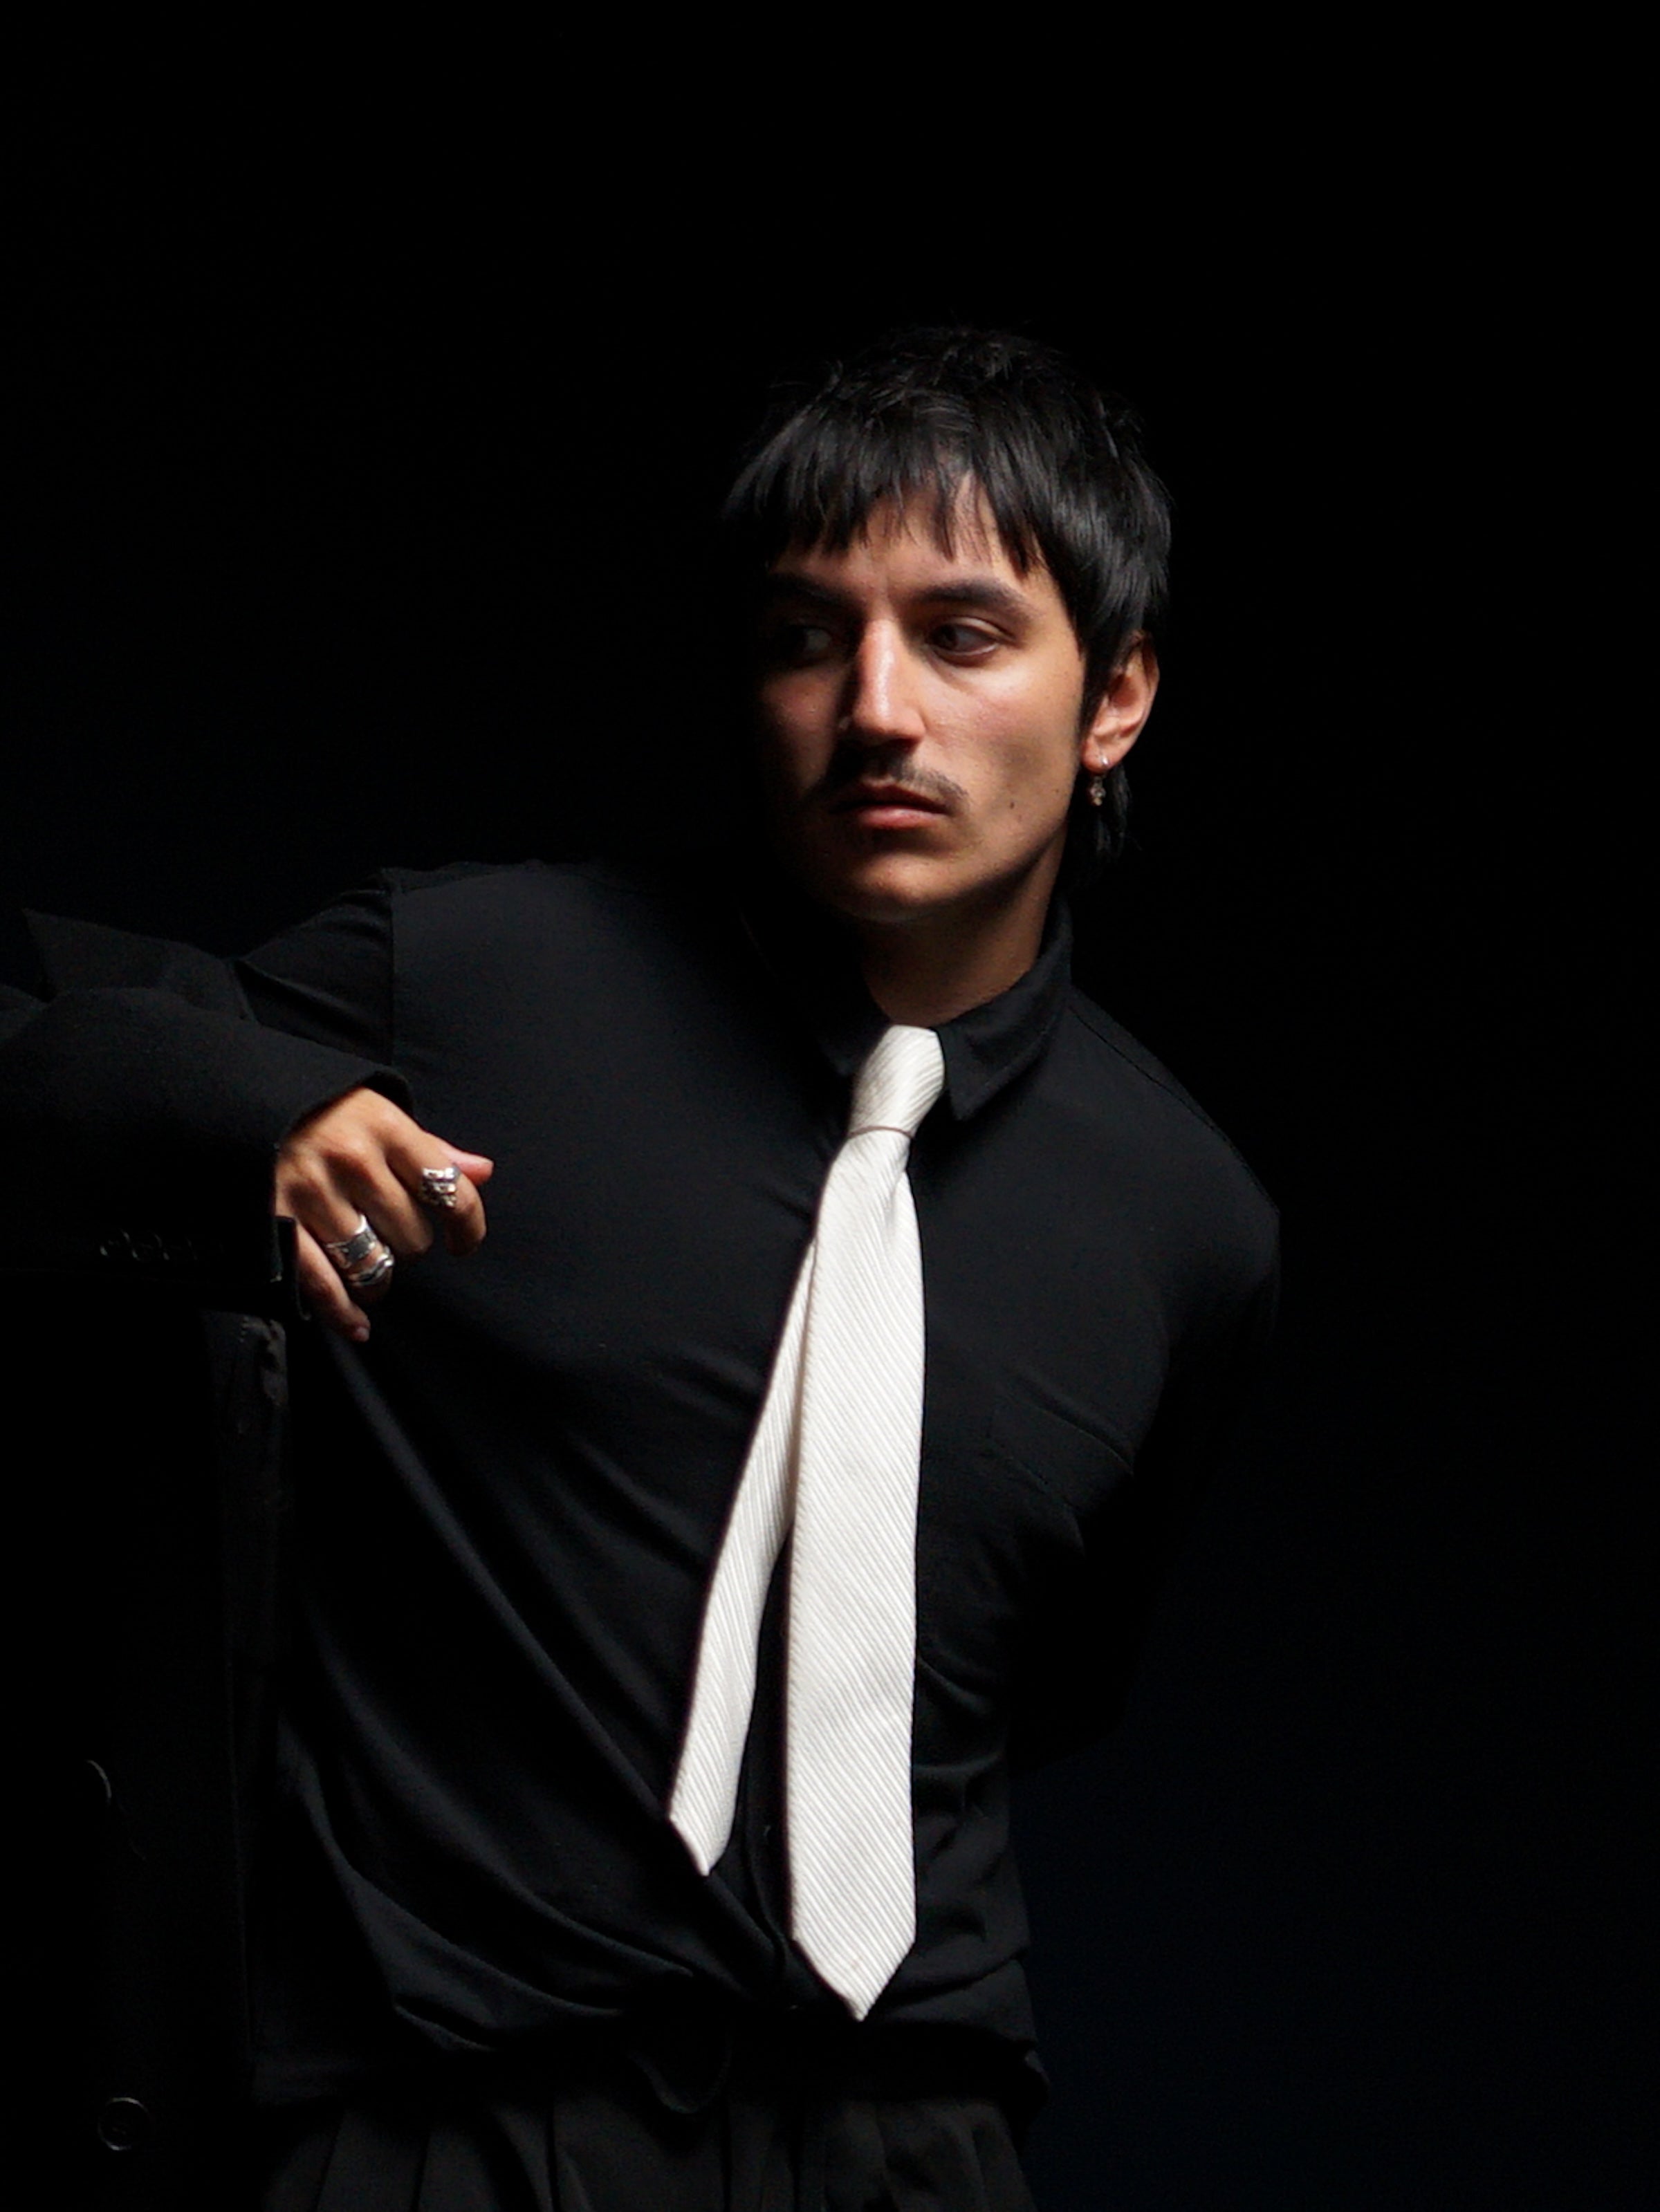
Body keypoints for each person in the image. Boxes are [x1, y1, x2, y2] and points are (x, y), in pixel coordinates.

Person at [4, 328, 1278, 2209]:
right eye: (806, 637)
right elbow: (35, 1040)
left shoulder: (1188, 1220)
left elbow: (1046, 1680)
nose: (876, 709)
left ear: (1119, 697)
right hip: (448, 2120)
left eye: (961, 635)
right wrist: (254, 1105)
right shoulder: (478, 985)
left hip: (911, 2141)